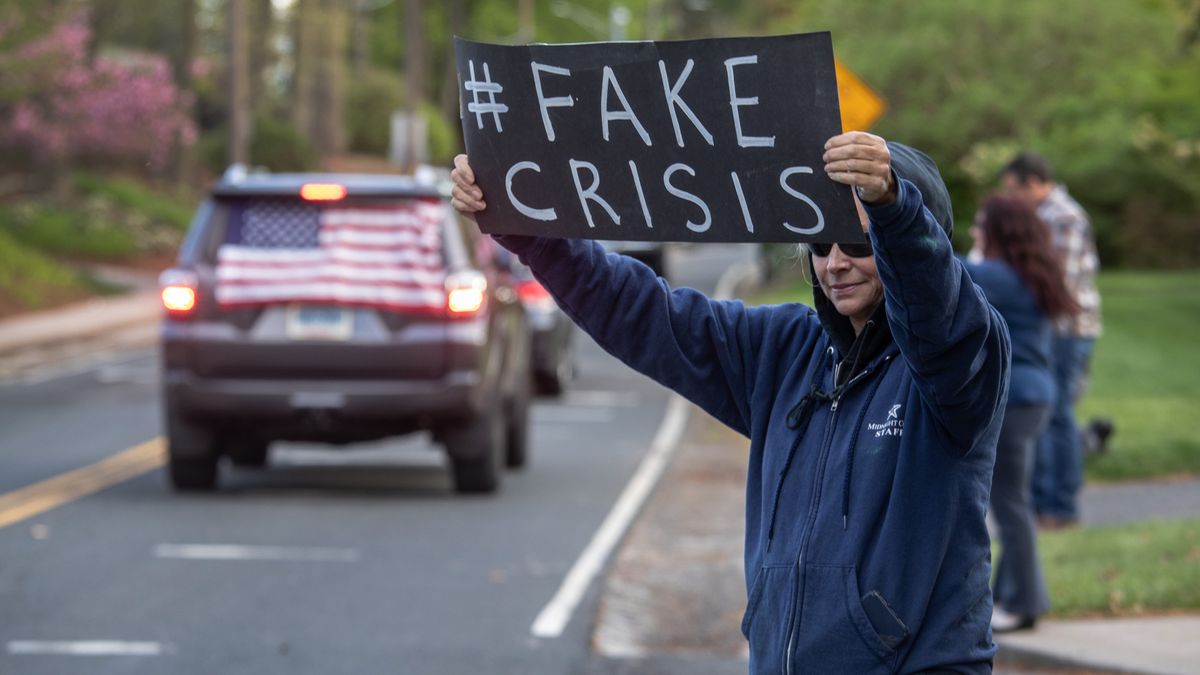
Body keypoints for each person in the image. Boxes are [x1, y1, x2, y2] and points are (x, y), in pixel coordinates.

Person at [452, 132, 1010, 674]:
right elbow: (640, 310)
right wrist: (530, 232)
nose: (834, 262)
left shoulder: (959, 362)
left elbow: (937, 311)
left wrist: (893, 209)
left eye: (859, 244)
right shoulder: (784, 349)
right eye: (820, 242)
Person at [965, 194, 1079, 633]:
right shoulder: (1031, 275)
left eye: (981, 224)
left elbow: (934, 268)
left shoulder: (993, 275)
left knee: (1010, 505)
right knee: (1016, 502)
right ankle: (1012, 596)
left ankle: (1026, 603)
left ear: (998, 232)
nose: (976, 231)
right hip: (1037, 397)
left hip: (1012, 400)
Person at [1000, 152, 1104, 529]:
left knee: (1057, 414)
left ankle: (1060, 506)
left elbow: (1056, 284)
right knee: (1051, 414)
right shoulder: (1045, 215)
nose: (1012, 197)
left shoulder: (1064, 218)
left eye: (1014, 189)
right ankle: (1047, 503)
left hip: (1066, 331)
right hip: (1050, 330)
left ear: (1032, 183)